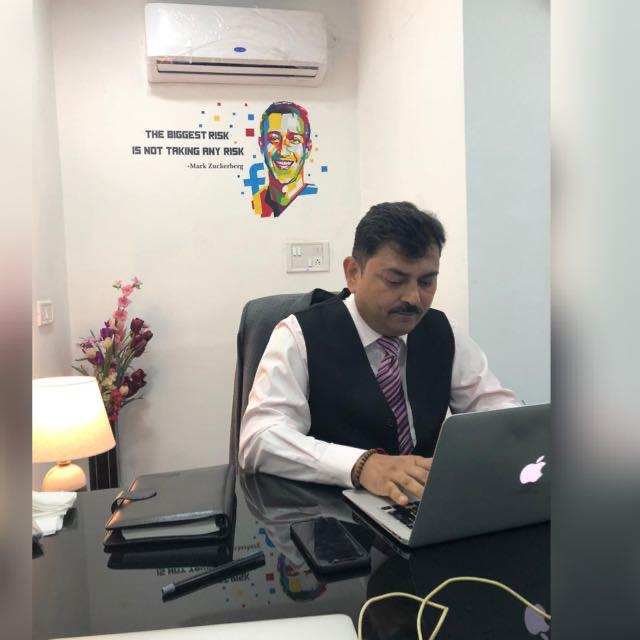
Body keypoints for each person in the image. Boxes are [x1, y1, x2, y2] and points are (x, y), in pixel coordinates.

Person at [239, 202, 520, 504]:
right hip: (331, 513)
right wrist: (360, 465)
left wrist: (521, 434)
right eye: (394, 281)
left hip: (421, 505)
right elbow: (259, 438)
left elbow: (496, 409)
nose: (413, 298)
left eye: (426, 282)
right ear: (353, 273)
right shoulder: (298, 335)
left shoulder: (442, 330)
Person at [252, 101, 315, 218]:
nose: (283, 152)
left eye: (294, 140)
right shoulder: (255, 204)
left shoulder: (318, 202)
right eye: (274, 138)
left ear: (307, 148)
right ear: (261, 145)